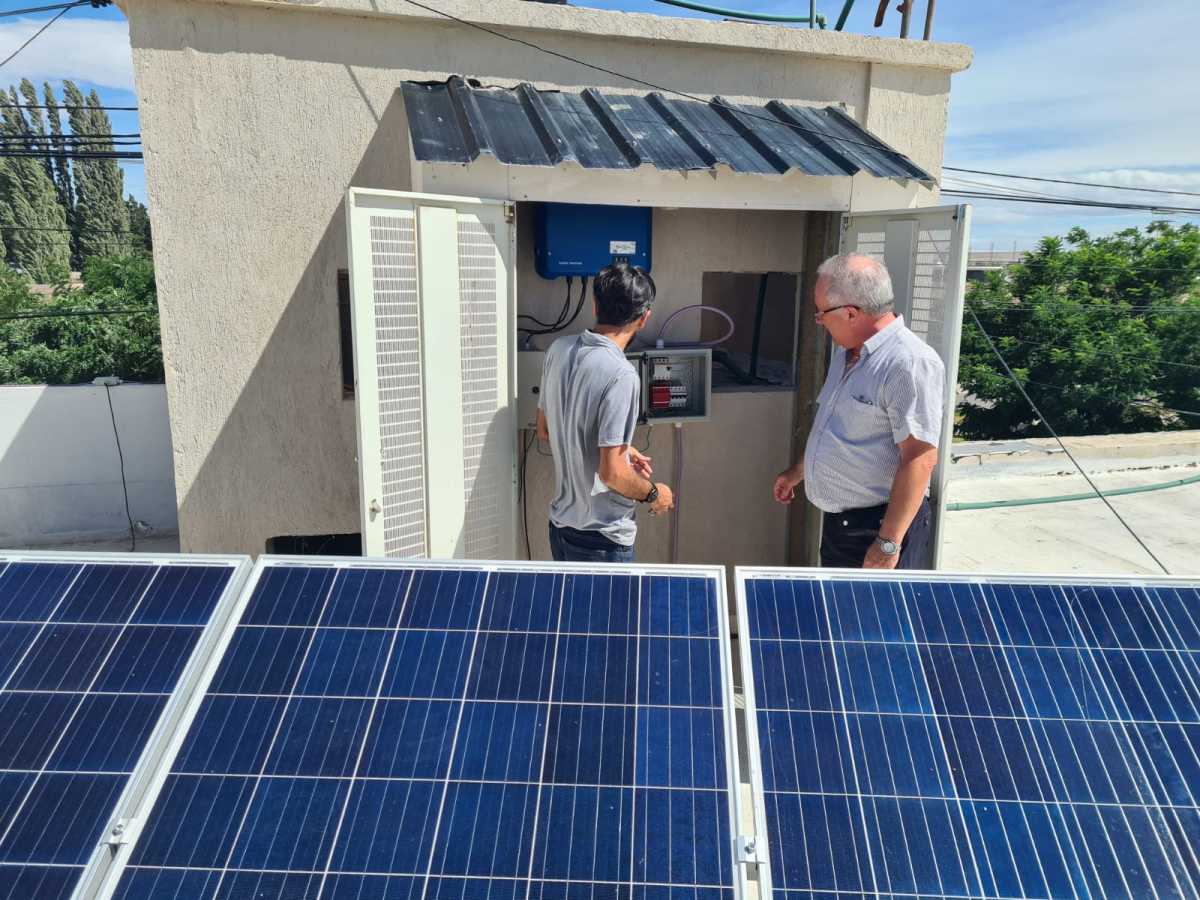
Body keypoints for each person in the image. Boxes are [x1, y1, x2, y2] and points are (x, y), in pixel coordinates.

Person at [773, 253, 944, 569]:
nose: (818, 320)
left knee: (873, 618)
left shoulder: (908, 363)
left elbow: (920, 457)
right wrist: (800, 471)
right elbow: (835, 425)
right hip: (844, 528)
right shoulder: (846, 353)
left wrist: (888, 542)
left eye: (821, 312)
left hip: (878, 530)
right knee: (841, 615)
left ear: (851, 313)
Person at [537, 262, 675, 562]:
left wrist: (621, 448)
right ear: (644, 318)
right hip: (602, 540)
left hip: (561, 529)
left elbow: (547, 429)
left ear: (595, 305)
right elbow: (612, 474)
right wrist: (655, 494)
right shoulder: (622, 375)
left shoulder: (559, 349)